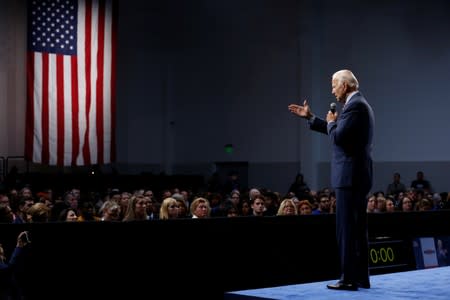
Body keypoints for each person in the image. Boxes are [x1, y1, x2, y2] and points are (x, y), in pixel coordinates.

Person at [288, 69, 374, 291]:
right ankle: (361, 278)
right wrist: (311, 118)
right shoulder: (360, 104)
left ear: (345, 86)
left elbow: (338, 136)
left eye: (334, 85)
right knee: (356, 230)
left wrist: (331, 122)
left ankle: (348, 279)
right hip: (356, 175)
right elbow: (338, 130)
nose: (332, 89)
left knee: (346, 230)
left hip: (349, 176)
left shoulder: (355, 106)